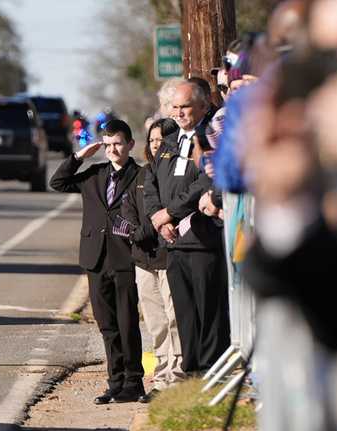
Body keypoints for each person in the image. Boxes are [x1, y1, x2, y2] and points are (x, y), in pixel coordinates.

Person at [50, 119, 147, 404]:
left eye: (118, 144)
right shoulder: (94, 174)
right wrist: (80, 156)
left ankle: (134, 381)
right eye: (107, 145)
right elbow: (58, 182)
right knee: (107, 324)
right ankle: (115, 382)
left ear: (130, 145)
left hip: (125, 258)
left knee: (127, 321)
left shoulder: (140, 177)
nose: (113, 150)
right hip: (96, 259)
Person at [144, 81, 230, 374]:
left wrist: (170, 212)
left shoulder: (211, 138)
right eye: (175, 107)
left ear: (203, 107)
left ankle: (211, 371)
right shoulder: (168, 142)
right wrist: (158, 217)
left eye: (185, 107)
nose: (179, 113)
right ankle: (191, 373)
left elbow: (205, 183)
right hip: (173, 242)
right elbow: (151, 183)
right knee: (185, 314)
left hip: (203, 239)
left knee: (209, 312)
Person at [121, 117, 184, 397]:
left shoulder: (179, 170)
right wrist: (136, 232)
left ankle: (177, 374)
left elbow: (169, 208)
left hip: (169, 255)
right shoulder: (142, 174)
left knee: (174, 320)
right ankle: (160, 377)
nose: (157, 144)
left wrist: (148, 228)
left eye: (162, 139)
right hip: (143, 259)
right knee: (156, 322)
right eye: (153, 140)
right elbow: (131, 208)